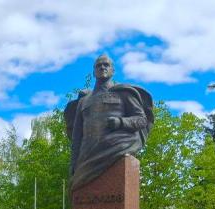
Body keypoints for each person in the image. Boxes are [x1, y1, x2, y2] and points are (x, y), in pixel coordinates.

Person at [63, 54, 154, 190]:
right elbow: (77, 136)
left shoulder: (123, 93)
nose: (102, 67)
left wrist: (120, 122)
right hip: (87, 155)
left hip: (116, 146)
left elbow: (141, 120)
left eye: (106, 65)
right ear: (94, 72)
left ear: (113, 71)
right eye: (98, 65)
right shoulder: (83, 101)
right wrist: (73, 163)